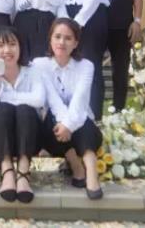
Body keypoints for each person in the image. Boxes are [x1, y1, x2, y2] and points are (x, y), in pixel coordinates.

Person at [0, 25, 46, 203]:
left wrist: (8, 97)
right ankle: (7, 172)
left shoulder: (32, 71)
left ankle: (23, 173)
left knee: (25, 110)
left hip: (31, 138)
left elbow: (39, 100)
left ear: (20, 47)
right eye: (0, 45)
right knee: (3, 109)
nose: (7, 50)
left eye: (12, 44)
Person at [35, 18, 104, 200]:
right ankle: (76, 164)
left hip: (82, 124)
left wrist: (69, 125)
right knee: (53, 117)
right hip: (53, 132)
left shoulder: (86, 66)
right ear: (50, 39)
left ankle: (90, 165)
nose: (62, 42)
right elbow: (52, 99)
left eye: (68, 38)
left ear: (76, 43)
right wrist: (64, 124)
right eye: (57, 37)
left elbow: (80, 100)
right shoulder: (39, 65)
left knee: (82, 118)